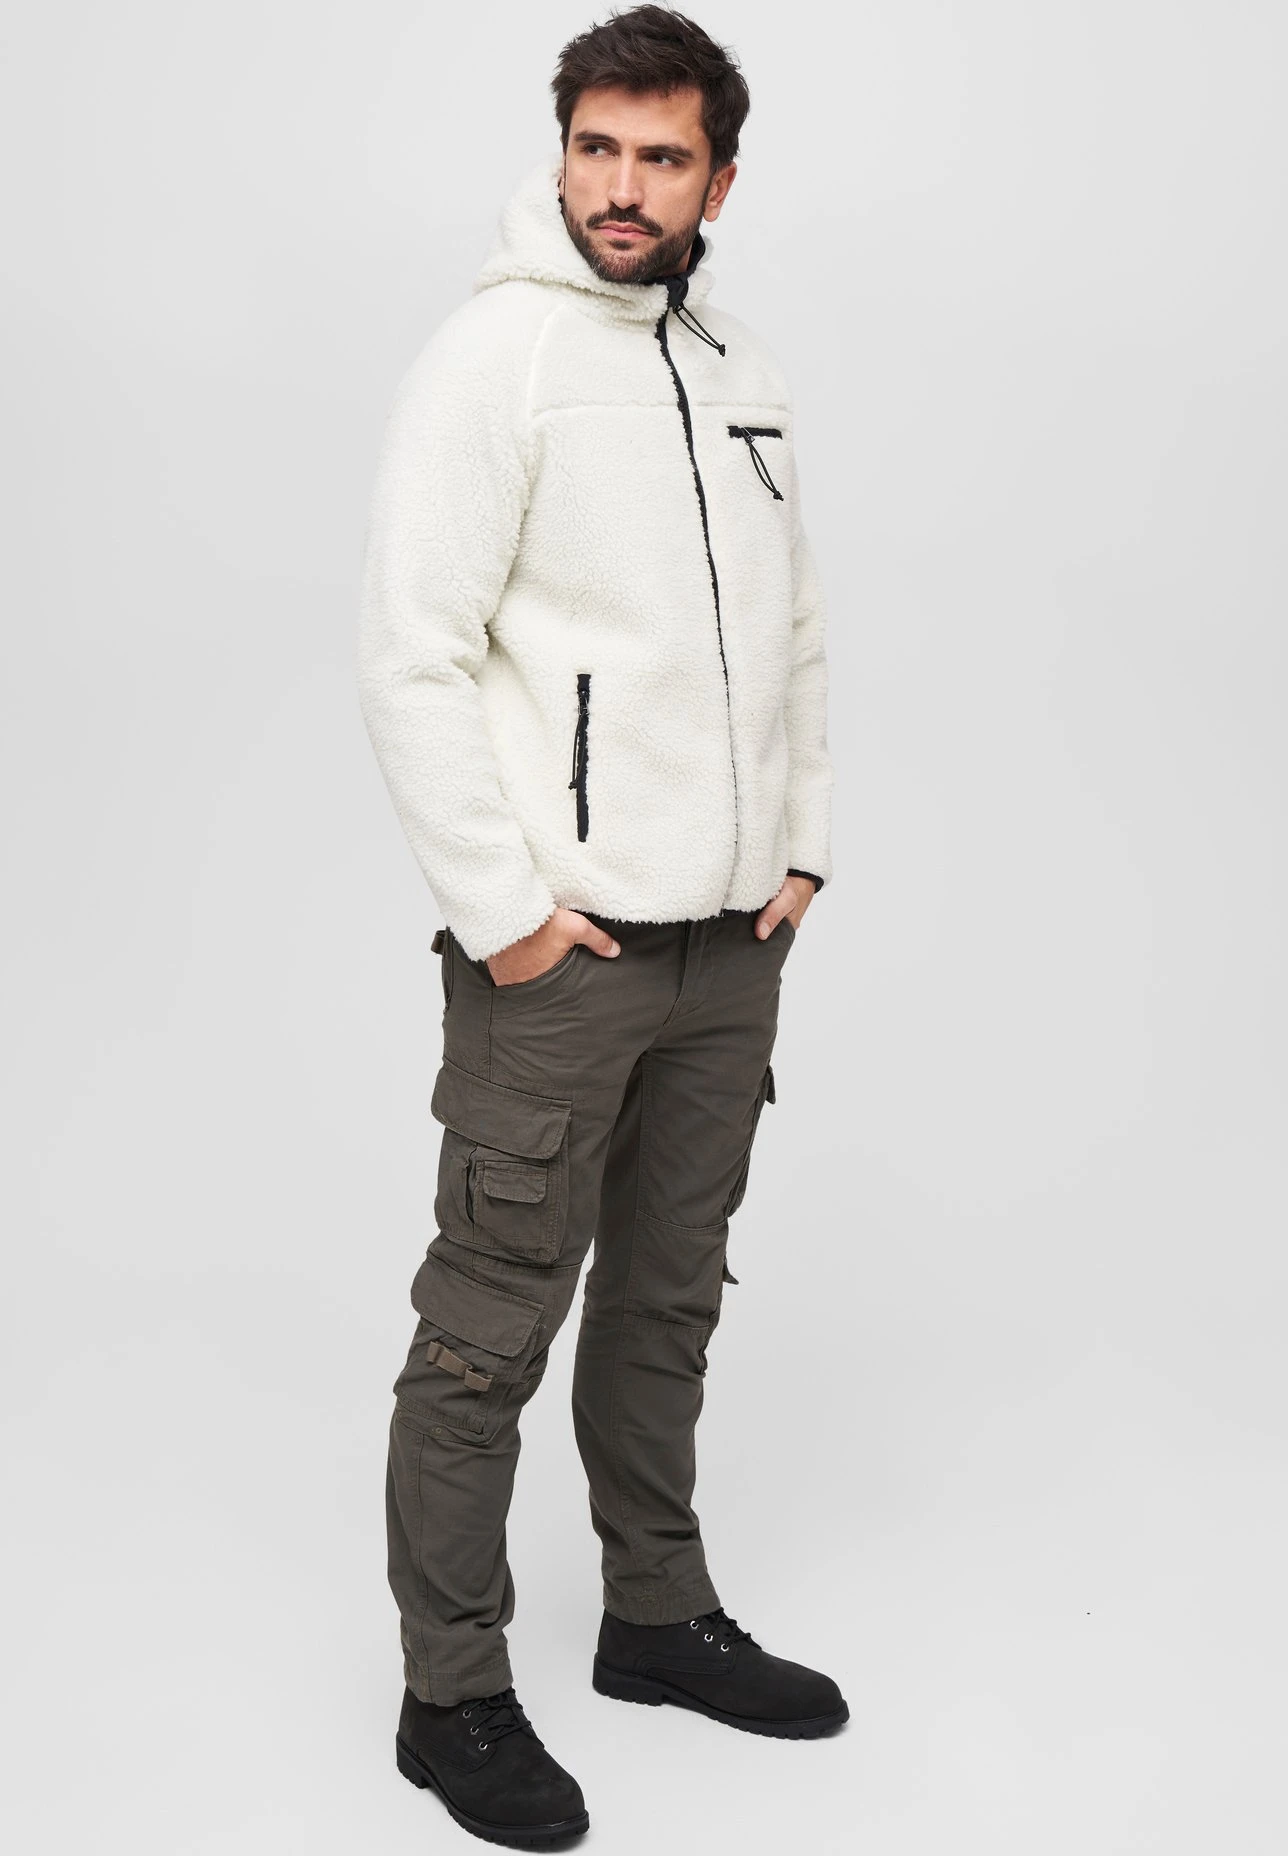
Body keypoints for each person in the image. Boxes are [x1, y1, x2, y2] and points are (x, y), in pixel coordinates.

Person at [357, 6, 845, 1844]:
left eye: (661, 157)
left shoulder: (740, 370)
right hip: (564, 961)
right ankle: (452, 1695)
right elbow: (410, 656)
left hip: (729, 951)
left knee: (666, 1301)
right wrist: (501, 914)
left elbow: (794, 633)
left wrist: (799, 849)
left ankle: (656, 1618)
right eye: (596, 148)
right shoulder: (494, 362)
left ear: (721, 176)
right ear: (560, 149)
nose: (622, 188)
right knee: (488, 1327)